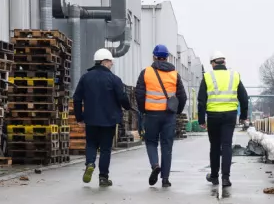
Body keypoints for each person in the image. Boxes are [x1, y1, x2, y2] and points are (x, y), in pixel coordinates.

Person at [72, 48, 131, 188]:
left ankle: (90, 163)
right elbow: (122, 97)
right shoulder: (114, 79)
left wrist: (79, 116)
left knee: (91, 144)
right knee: (105, 148)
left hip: (91, 118)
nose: (111, 65)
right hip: (109, 120)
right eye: (111, 62)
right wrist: (127, 106)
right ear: (105, 61)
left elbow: (77, 98)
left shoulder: (85, 78)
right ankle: (103, 177)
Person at [134, 44, 188, 189]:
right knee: (167, 146)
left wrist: (142, 110)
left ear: (154, 56)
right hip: (168, 115)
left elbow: (139, 94)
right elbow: (182, 96)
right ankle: (165, 179)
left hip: (151, 114)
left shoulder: (146, 73)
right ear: (167, 57)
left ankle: (155, 165)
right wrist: (177, 111)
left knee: (151, 142)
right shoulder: (174, 74)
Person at [198, 53, 250, 188]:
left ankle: (214, 176)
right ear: (224, 63)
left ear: (213, 63)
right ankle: (226, 178)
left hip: (213, 116)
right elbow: (244, 98)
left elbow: (201, 100)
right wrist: (243, 116)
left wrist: (201, 119)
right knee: (227, 145)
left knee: (214, 146)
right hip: (230, 115)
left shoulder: (207, 76)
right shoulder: (234, 76)